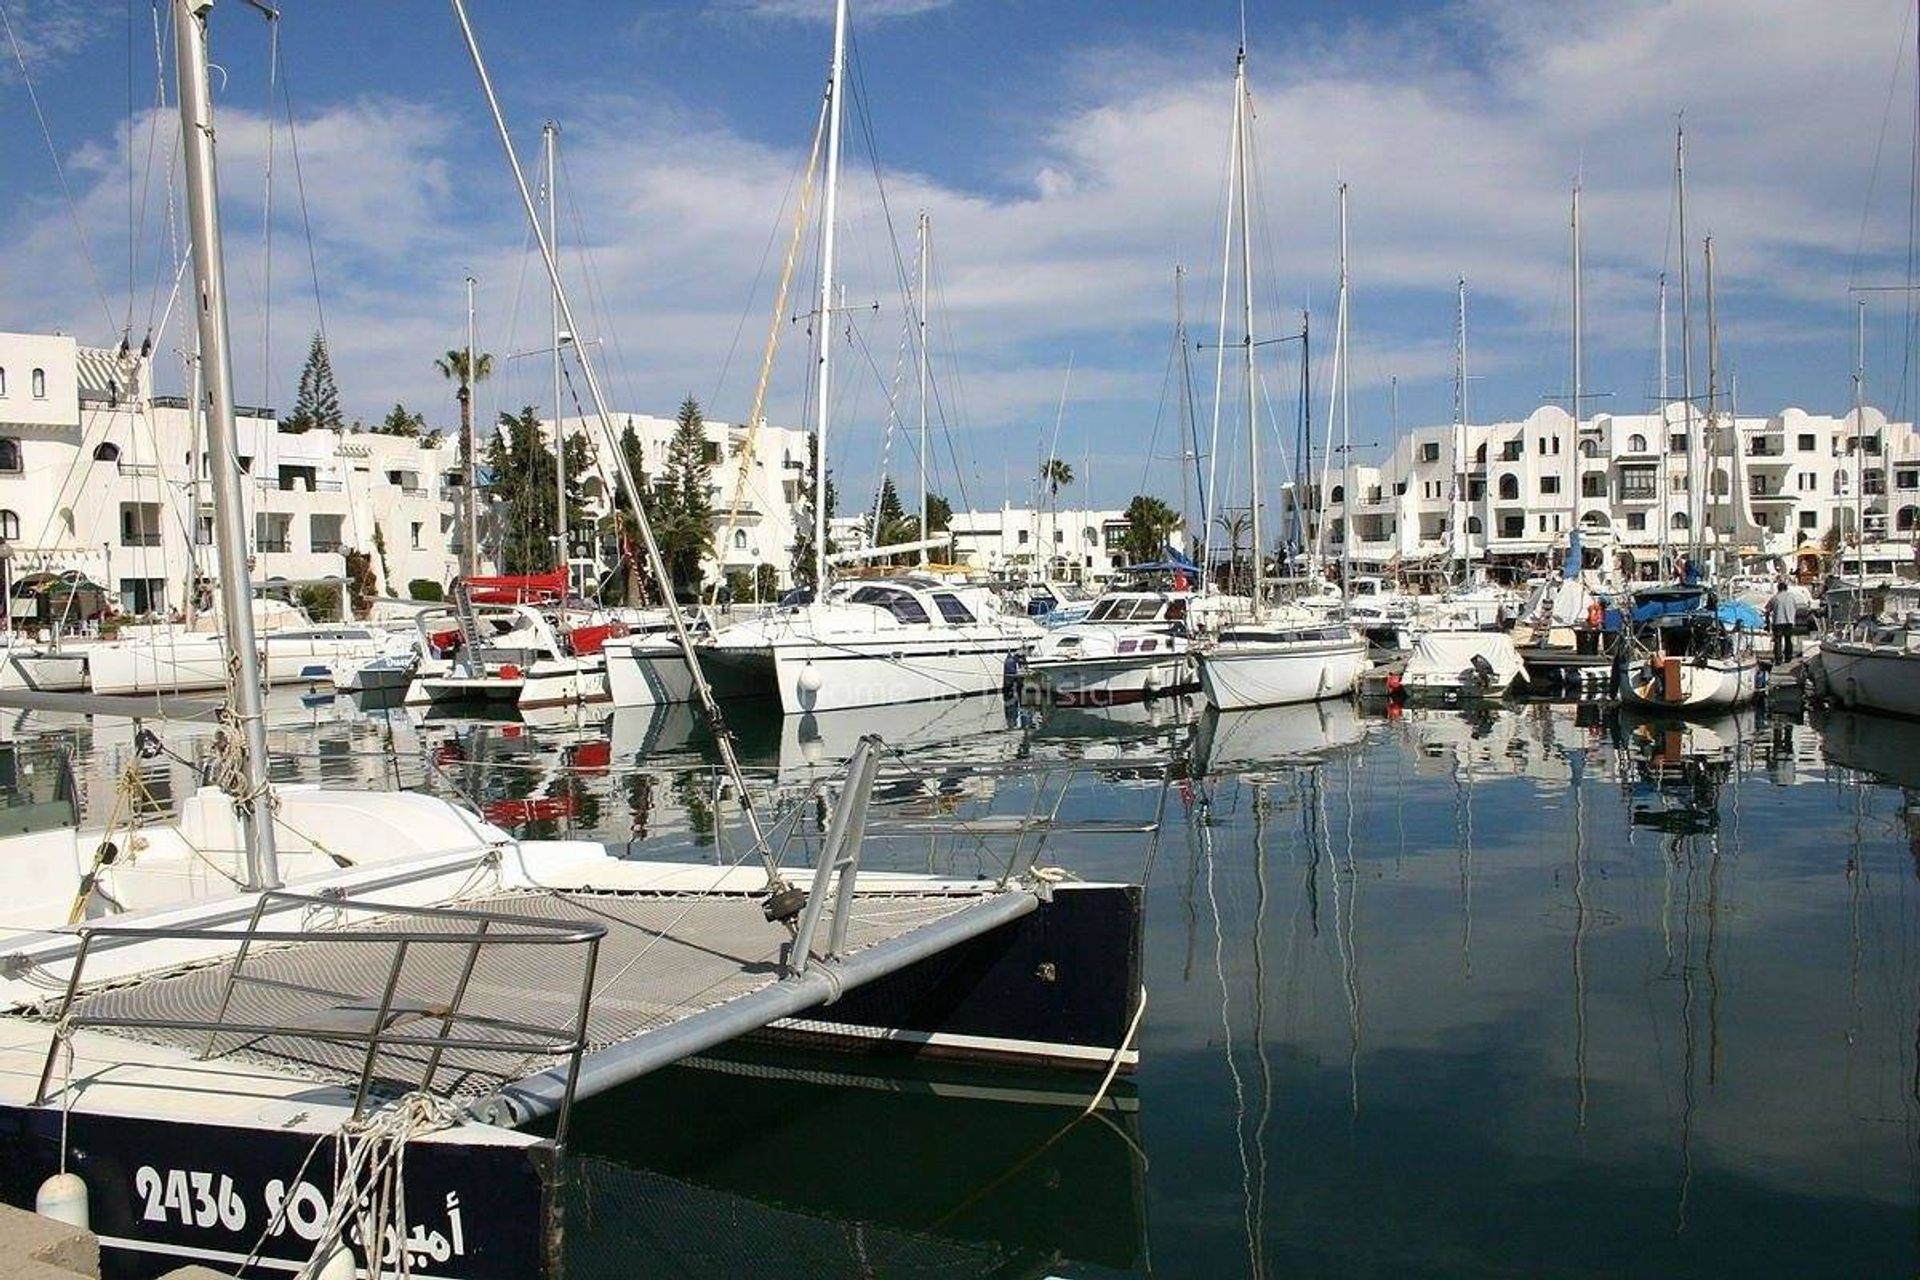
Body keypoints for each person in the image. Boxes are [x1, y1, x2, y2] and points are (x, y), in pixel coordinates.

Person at [1767, 579, 1798, 664]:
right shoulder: (1792, 597)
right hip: (1789, 621)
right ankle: (1788, 658)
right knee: (1788, 640)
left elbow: (1767, 608)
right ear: (1786, 588)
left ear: (1778, 589)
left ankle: (1778, 659)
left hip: (1778, 622)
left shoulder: (1775, 597)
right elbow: (1795, 607)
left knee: (1778, 641)